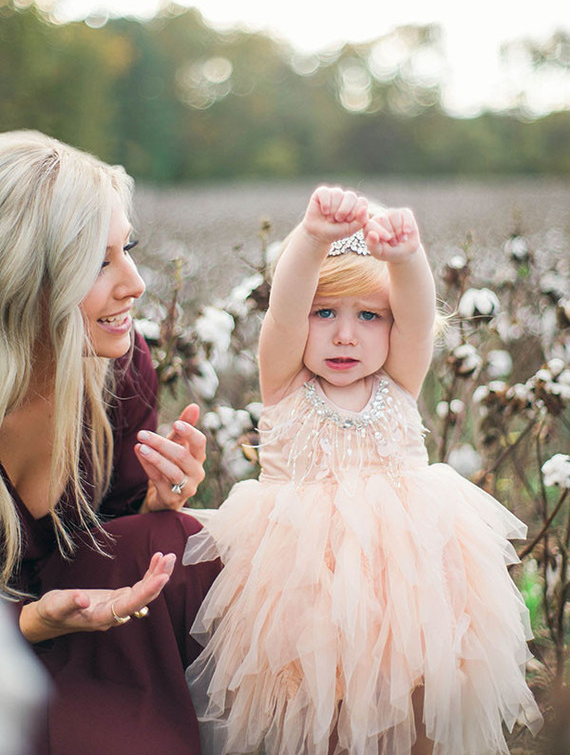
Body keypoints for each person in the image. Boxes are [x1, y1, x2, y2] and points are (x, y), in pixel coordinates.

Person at [183, 185, 543, 755]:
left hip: (412, 584)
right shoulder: (285, 382)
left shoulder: (398, 377)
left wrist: (407, 257)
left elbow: (420, 319)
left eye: (369, 315)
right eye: (324, 313)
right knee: (317, 712)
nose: (345, 334)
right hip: (303, 585)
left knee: (420, 703)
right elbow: (283, 310)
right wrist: (311, 237)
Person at [0, 130, 219, 755]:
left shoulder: (119, 371)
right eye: (99, 263)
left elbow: (113, 535)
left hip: (82, 636)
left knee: (178, 542)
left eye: (128, 250)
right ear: (20, 276)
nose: (135, 284)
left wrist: (153, 504)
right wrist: (35, 620)